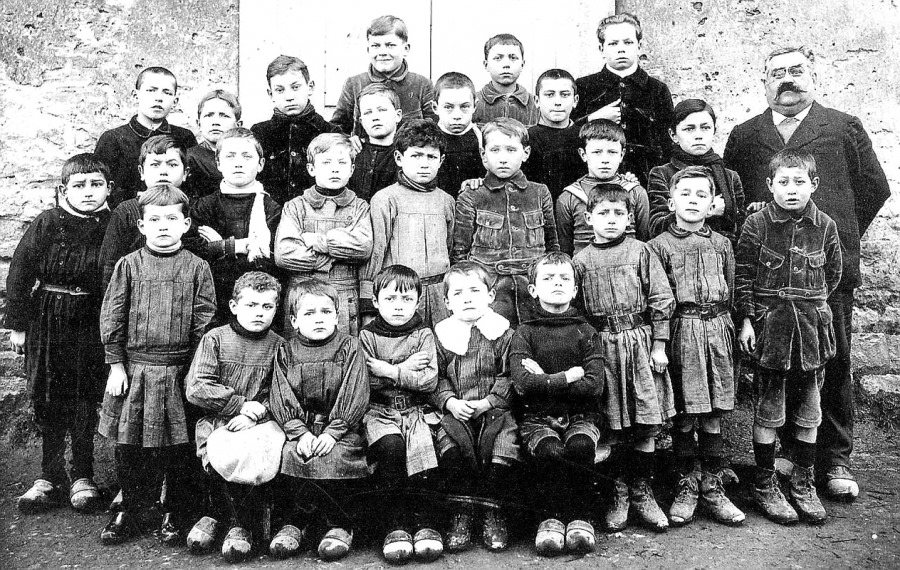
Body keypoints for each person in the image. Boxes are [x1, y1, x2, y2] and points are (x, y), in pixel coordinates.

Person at [724, 46, 890, 500]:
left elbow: (874, 188)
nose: (787, 79)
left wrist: (836, 234)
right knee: (776, 366)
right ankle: (784, 456)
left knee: (830, 362)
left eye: (796, 70)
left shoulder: (841, 126)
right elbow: (733, 196)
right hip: (770, 283)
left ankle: (835, 459)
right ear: (764, 83)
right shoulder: (746, 135)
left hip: (823, 278)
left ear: (813, 76)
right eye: (777, 73)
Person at [97, 185, 216, 546]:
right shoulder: (128, 265)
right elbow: (113, 316)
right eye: (155, 220)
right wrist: (116, 365)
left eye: (171, 219)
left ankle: (175, 511)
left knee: (180, 447)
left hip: (179, 370)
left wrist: (195, 371)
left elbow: (204, 322)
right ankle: (131, 510)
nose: (163, 226)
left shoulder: (198, 267)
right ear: (141, 225)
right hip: (137, 370)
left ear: (186, 224)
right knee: (131, 446)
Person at [735, 150, 842, 526]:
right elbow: (743, 274)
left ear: (814, 185)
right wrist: (748, 319)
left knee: (809, 412)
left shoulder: (825, 226)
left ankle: (803, 481)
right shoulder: (757, 225)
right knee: (769, 408)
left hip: (811, 332)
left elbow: (833, 275)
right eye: (783, 182)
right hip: (772, 332)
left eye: (800, 182)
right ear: (770, 185)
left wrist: (812, 307)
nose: (791, 189)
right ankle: (764, 484)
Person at [9, 154, 112, 514]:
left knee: (84, 395)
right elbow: (19, 273)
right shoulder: (48, 223)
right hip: (48, 318)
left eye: (96, 184)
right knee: (48, 395)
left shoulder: (112, 225)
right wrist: (19, 326)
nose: (88, 192)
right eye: (79, 185)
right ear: (64, 189)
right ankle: (49, 476)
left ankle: (83, 475)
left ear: (109, 188)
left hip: (91, 320)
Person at [572, 184, 675, 533]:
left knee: (645, 422)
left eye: (619, 213)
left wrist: (659, 345)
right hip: (603, 348)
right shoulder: (580, 261)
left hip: (639, 344)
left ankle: (643, 491)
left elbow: (661, 298)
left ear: (630, 218)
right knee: (612, 425)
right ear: (589, 218)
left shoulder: (641, 251)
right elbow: (577, 313)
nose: (611, 220)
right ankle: (619, 493)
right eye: (603, 213)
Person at [646, 166, 745, 527]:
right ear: (671, 202)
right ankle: (686, 486)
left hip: (718, 330)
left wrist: (733, 325)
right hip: (682, 331)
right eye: (684, 194)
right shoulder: (658, 247)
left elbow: (731, 291)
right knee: (687, 414)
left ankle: (714, 487)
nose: (692, 201)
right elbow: (658, 298)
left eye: (701, 195)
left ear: (712, 203)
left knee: (714, 412)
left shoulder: (722, 244)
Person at [184, 271, 285, 561]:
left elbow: (282, 390)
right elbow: (197, 387)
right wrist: (238, 404)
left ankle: (241, 527)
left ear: (276, 309)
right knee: (220, 450)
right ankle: (217, 517)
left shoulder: (279, 345)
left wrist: (257, 412)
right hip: (220, 419)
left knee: (253, 452)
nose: (259, 313)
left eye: (267, 306)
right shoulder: (215, 339)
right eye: (251, 305)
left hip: (262, 422)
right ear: (233, 306)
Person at [268, 279, 370, 561]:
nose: (319, 319)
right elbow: (281, 393)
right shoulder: (286, 351)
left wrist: (333, 432)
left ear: (337, 316)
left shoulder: (349, 347)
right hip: (300, 429)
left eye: (326, 312)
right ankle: (296, 522)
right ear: (294, 321)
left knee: (335, 456)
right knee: (290, 454)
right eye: (309, 313)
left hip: (341, 428)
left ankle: (339, 524)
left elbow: (354, 392)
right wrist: (300, 433)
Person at [510, 252, 604, 556]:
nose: (557, 283)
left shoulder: (585, 331)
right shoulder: (525, 332)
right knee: (550, 451)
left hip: (580, 415)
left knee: (580, 446)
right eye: (548, 278)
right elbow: (523, 385)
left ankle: (580, 518)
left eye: (565, 279)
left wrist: (545, 379)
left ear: (575, 290)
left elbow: (594, 386)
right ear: (533, 289)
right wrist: (566, 377)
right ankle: (549, 519)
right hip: (537, 418)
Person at [432, 261, 518, 553]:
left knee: (502, 449)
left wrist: (489, 402)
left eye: (474, 291)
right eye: (458, 294)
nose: (467, 299)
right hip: (456, 414)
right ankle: (462, 513)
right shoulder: (442, 335)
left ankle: (492, 512)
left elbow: (510, 375)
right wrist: (449, 401)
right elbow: (436, 377)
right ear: (446, 302)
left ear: (490, 296)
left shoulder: (503, 333)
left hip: (495, 412)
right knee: (451, 449)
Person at [360, 265, 443, 563]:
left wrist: (390, 370)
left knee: (423, 453)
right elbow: (366, 380)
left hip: (415, 410)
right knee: (391, 449)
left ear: (418, 302)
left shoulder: (423, 334)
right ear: (376, 301)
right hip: (379, 411)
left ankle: (425, 524)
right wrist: (407, 369)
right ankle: (394, 526)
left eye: (407, 299)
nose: (398, 306)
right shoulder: (367, 336)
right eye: (390, 298)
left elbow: (429, 380)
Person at [452, 117, 559, 326]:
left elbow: (552, 246)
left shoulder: (540, 193)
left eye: (511, 150)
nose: (503, 158)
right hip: (491, 292)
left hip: (533, 292)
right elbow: (460, 254)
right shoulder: (472, 195)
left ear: (525, 153)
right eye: (495, 150)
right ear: (483, 155)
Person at [275, 133, 373, 337]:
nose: (335, 169)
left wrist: (318, 241)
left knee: (343, 349)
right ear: (311, 168)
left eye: (342, 162)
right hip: (302, 293)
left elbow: (363, 248)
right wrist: (336, 254)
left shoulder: (360, 207)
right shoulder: (295, 207)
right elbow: (284, 255)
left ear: (352, 169)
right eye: (326, 162)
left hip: (344, 296)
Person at [361, 119, 455, 328]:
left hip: (439, 296)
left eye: (431, 157)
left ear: (441, 160)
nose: (424, 163)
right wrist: (368, 306)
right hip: (400, 294)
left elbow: (450, 246)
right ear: (399, 158)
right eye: (416, 155)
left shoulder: (446, 201)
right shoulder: (386, 199)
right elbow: (375, 254)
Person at [189, 127, 281, 329]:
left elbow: (273, 257)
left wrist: (218, 246)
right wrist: (230, 247)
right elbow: (190, 247)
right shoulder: (205, 206)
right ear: (218, 164)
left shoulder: (271, 208)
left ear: (261, 164)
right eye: (230, 156)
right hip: (215, 296)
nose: (238, 163)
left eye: (247, 156)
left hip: (259, 301)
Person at [571, 13, 674, 187]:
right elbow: (567, 136)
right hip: (595, 182)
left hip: (646, 181)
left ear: (639, 46)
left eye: (628, 42)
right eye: (613, 43)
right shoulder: (584, 86)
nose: (621, 49)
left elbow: (667, 142)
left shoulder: (657, 90)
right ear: (601, 49)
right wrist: (592, 119)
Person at [95, 66, 197, 207]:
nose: (158, 98)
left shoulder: (184, 137)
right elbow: (102, 187)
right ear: (135, 96)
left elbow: (193, 186)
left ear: (175, 101)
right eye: (151, 90)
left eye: (167, 93)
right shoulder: (113, 139)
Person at [98, 135, 190, 290]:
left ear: (185, 173)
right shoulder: (126, 211)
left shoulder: (192, 209)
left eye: (172, 165)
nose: (163, 172)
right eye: (155, 165)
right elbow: (109, 264)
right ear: (141, 172)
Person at [648, 99, 744, 243]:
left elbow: (740, 225)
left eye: (705, 128)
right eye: (689, 129)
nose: (698, 135)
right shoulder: (661, 174)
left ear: (714, 131)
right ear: (673, 135)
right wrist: (706, 209)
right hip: (677, 250)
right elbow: (656, 226)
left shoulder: (730, 177)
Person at [251, 55, 340, 205]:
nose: (289, 97)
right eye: (280, 90)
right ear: (270, 94)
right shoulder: (259, 133)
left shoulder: (329, 132)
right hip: (272, 213)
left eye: (295, 87)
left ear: (310, 87)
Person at [331, 15, 437, 137]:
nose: (382, 52)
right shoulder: (354, 84)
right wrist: (349, 141)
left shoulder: (422, 85)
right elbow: (337, 131)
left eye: (390, 45)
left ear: (406, 49)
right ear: (368, 50)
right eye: (375, 46)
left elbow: (434, 130)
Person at [556, 119, 648, 256]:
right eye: (597, 152)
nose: (605, 159)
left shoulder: (635, 192)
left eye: (612, 152)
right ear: (583, 154)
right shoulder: (569, 197)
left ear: (622, 155)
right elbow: (565, 249)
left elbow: (644, 240)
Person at [523, 69, 586, 201]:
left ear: (575, 100)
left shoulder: (585, 137)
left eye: (564, 95)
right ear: (537, 101)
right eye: (550, 95)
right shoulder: (528, 138)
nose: (557, 102)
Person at [347, 83, 402, 201]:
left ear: (397, 115)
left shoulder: (404, 156)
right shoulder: (354, 152)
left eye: (381, 110)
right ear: (361, 121)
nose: (375, 117)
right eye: (368, 112)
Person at [434, 72, 484, 200]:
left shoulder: (482, 138)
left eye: (464, 107)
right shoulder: (430, 138)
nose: (457, 115)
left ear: (475, 106)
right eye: (448, 107)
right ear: (435, 107)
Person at [185, 89, 242, 201]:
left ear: (238, 125)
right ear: (199, 124)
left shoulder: (244, 157)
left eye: (224, 115)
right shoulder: (190, 158)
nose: (215, 122)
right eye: (209, 115)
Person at [473, 34, 540, 127]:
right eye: (498, 58)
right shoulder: (473, 102)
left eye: (513, 58)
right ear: (486, 65)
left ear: (522, 64)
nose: (506, 64)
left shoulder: (535, 105)